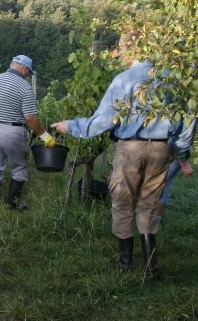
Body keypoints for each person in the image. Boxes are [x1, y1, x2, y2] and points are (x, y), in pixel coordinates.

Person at [51, 33, 196, 278]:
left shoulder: (125, 79)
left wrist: (71, 126)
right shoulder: (172, 80)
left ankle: (125, 263)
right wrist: (179, 150)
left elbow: (104, 120)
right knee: (149, 204)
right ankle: (151, 268)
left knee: (122, 200)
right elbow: (188, 121)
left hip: (130, 148)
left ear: (131, 51)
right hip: (161, 148)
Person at [0, 55, 56, 210]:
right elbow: (30, 117)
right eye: (28, 72)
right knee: (19, 168)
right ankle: (13, 206)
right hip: (11, 131)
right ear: (24, 68)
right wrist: (44, 135)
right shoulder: (24, 86)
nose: (27, 75)